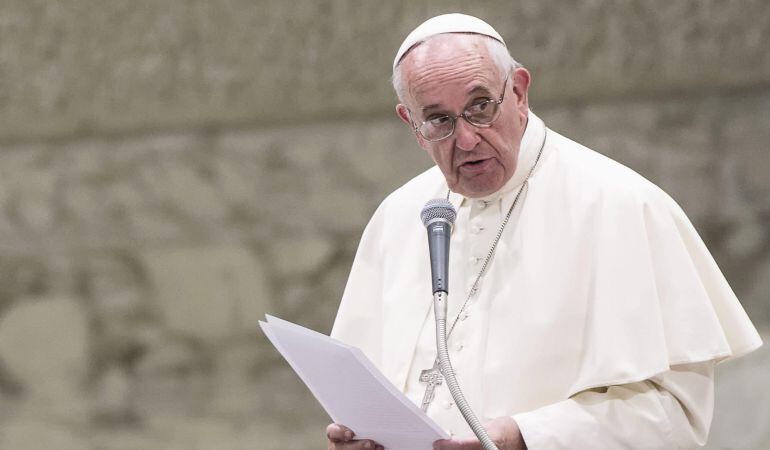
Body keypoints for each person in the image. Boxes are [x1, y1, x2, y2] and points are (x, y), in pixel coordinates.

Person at [326, 13, 762, 450]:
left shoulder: (620, 205)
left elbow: (675, 419)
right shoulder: (400, 215)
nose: (467, 140)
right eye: (439, 120)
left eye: (480, 107)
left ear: (518, 92)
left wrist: (526, 437)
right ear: (411, 124)